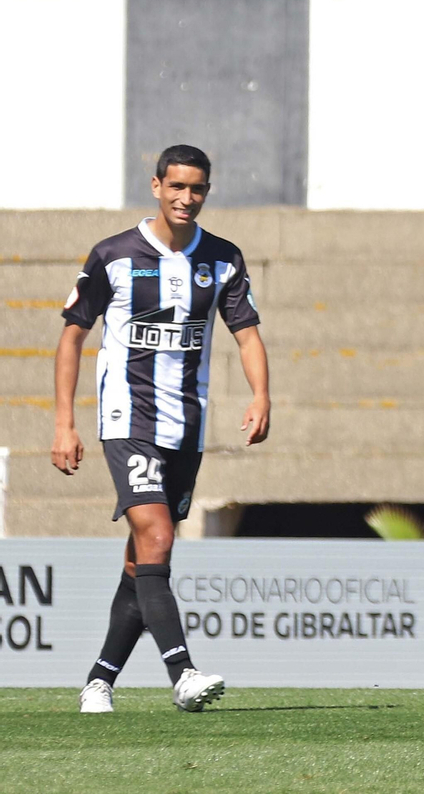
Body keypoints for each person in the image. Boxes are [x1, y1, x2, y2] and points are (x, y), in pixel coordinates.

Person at [54, 145, 271, 714]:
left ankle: (99, 680)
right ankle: (183, 672)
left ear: (207, 190)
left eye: (196, 188)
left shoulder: (222, 258)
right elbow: (72, 336)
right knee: (157, 537)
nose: (186, 198)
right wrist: (63, 423)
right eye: (176, 187)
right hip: (128, 417)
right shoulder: (114, 255)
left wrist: (261, 396)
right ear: (156, 186)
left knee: (143, 559)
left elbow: (246, 333)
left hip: (187, 424)